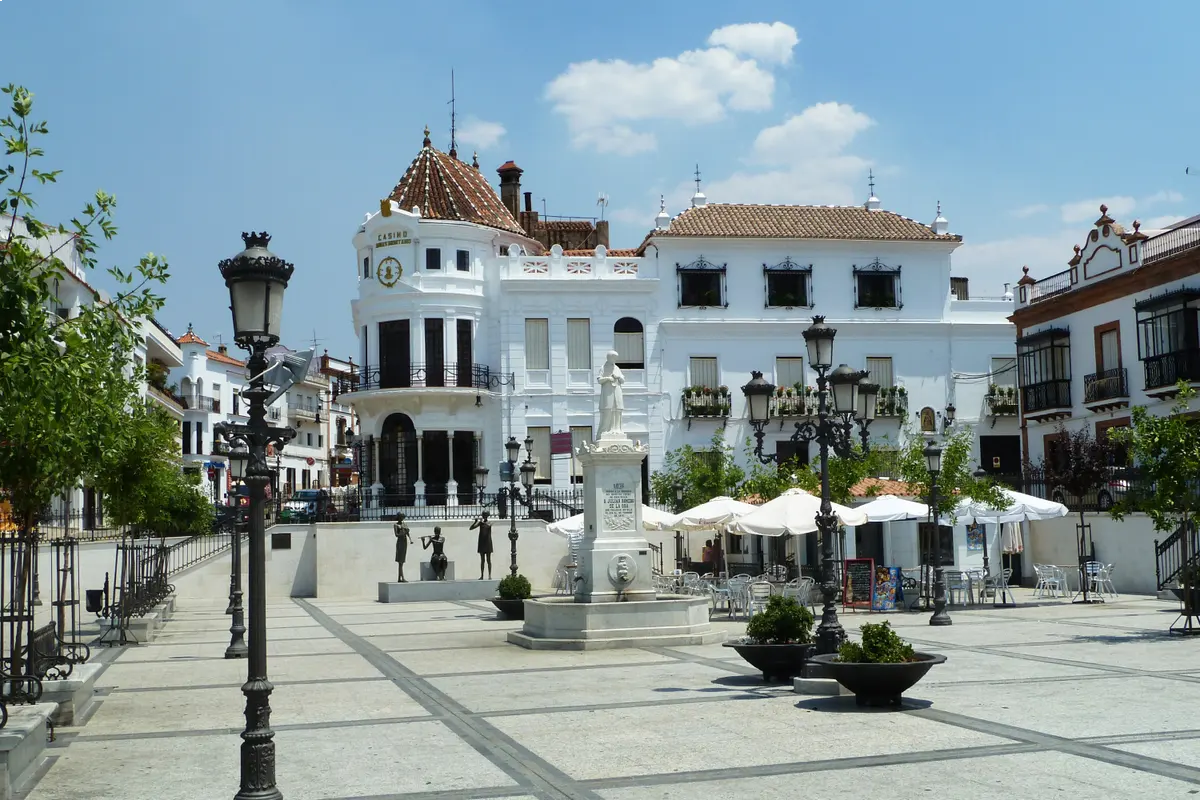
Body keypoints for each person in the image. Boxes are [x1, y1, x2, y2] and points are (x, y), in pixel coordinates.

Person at [597, 350, 625, 437]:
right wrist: (608, 378)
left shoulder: (617, 368)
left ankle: (617, 429)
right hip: (607, 392)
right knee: (608, 410)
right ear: (609, 357)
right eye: (614, 358)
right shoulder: (603, 368)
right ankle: (605, 430)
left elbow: (623, 380)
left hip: (617, 390)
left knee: (617, 409)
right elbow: (599, 380)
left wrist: (618, 377)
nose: (615, 360)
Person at [470, 511, 493, 580]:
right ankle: (482, 575)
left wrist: (482, 522)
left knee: (488, 560)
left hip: (488, 543)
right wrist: (475, 522)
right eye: (483, 515)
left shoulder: (489, 523)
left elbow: (489, 525)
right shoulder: (480, 523)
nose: (484, 516)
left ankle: (489, 575)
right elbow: (471, 528)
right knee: (482, 560)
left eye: (485, 515)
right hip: (482, 543)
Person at [393, 514, 413, 582]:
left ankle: (400, 578)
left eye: (402, 517)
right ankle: (402, 578)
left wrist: (410, 539)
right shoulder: (396, 525)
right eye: (401, 517)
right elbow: (396, 534)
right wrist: (402, 532)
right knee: (400, 561)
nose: (402, 518)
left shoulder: (404, 524)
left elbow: (407, 533)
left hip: (404, 542)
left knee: (402, 561)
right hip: (400, 543)